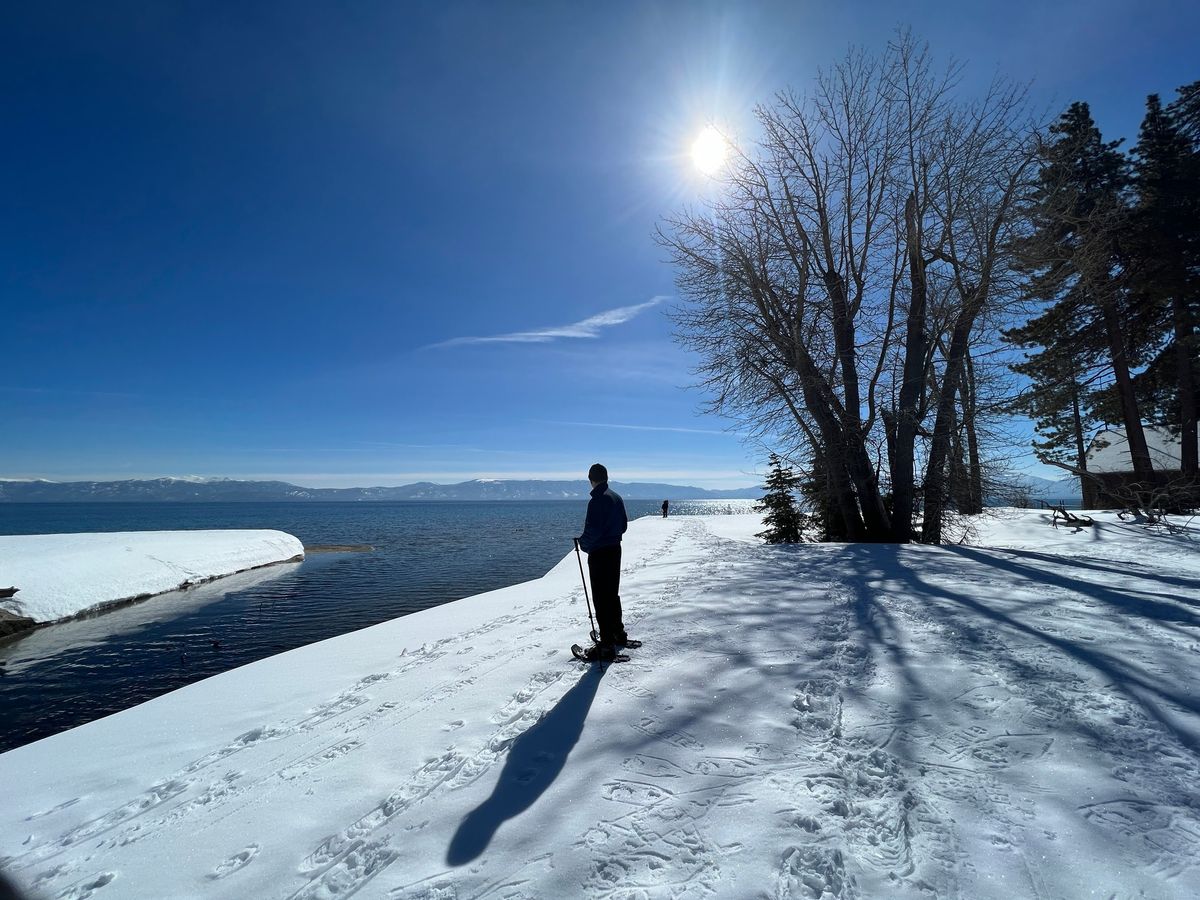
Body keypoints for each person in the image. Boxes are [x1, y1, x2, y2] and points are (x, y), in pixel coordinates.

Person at [575, 463, 628, 660]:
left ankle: (606, 644)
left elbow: (593, 530)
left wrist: (583, 544)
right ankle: (618, 633)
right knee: (612, 594)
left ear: (591, 479)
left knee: (600, 597)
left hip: (600, 553)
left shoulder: (597, 500)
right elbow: (623, 526)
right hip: (615, 550)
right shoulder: (616, 497)